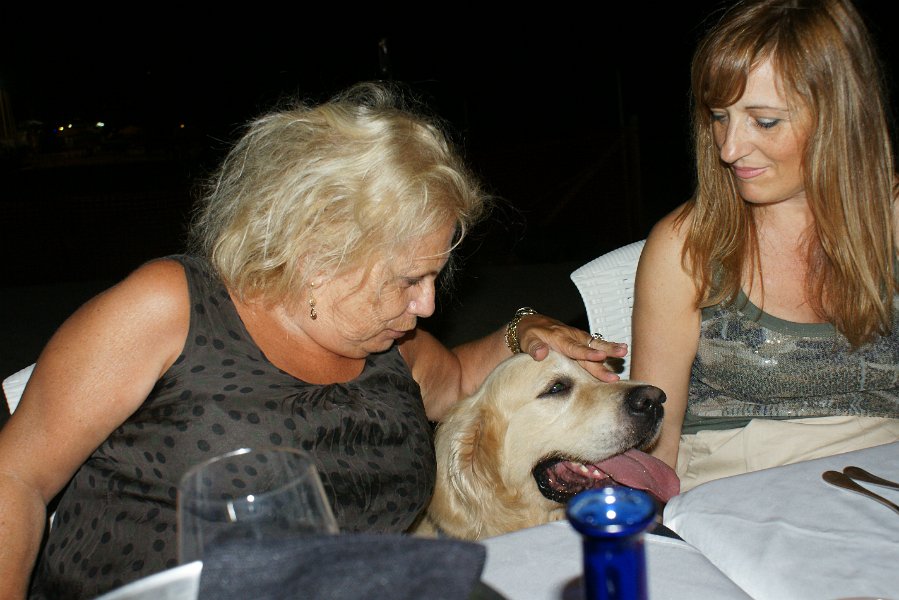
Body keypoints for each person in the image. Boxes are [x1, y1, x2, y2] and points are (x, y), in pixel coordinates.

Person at [0, 81, 627, 600]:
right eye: (409, 279)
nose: (428, 305)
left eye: (435, 276)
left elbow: (459, 380)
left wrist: (523, 329)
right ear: (319, 252)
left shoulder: (386, 341)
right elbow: (17, 478)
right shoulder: (172, 309)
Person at [631, 0, 899, 493]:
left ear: (838, 116)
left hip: (881, 486)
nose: (729, 148)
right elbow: (654, 452)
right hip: (739, 489)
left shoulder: (892, 226)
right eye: (719, 116)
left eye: (765, 121)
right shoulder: (687, 248)